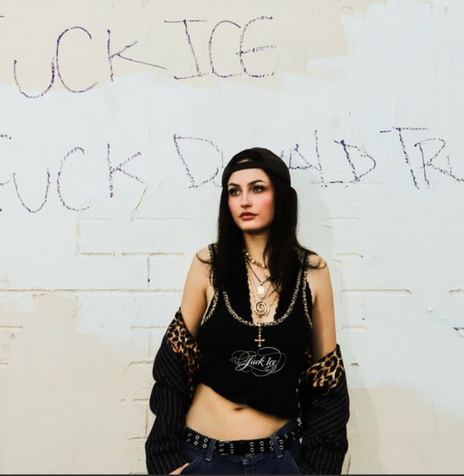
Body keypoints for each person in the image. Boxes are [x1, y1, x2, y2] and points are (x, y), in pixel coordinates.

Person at [145, 147, 350, 474]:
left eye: (257, 188)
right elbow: (174, 363)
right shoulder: (207, 265)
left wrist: (318, 468)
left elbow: (327, 382)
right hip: (203, 456)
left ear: (280, 196)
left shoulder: (313, 272)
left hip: (280, 458)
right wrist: (166, 461)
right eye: (234, 191)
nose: (244, 201)